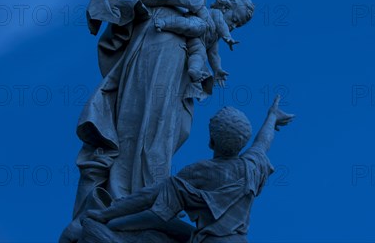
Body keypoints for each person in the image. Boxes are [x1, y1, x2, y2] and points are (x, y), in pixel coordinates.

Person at [60, 0, 223, 242]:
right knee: (145, 120)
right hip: (154, 43)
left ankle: (150, 196)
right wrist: (190, 0)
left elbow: (198, 24)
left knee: (169, 127)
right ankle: (128, 197)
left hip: (175, 53)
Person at [81, 96, 295, 243]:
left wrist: (106, 214)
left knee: (157, 219)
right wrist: (272, 117)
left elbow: (149, 197)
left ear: (211, 141)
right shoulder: (252, 166)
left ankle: (113, 227)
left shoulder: (200, 171)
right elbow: (263, 142)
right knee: (167, 223)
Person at [154, 0, 254, 88]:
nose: (234, 26)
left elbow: (214, 55)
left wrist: (217, 69)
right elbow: (221, 24)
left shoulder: (215, 38)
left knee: (201, 54)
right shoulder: (217, 14)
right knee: (192, 25)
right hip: (199, 23)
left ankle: (194, 70)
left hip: (198, 41)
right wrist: (227, 36)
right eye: (234, 20)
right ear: (225, 8)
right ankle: (165, 23)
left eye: (238, 25)